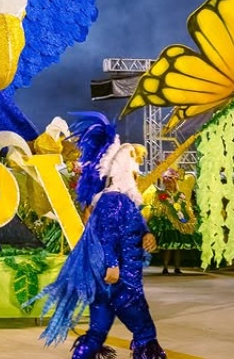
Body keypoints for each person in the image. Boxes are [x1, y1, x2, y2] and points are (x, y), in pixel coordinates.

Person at [31, 112, 166, 359]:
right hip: (121, 281)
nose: (136, 170)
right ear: (122, 170)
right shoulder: (114, 200)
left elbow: (132, 227)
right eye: (132, 164)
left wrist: (147, 234)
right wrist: (113, 266)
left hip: (105, 281)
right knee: (145, 333)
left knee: (96, 333)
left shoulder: (121, 201)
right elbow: (106, 235)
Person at [147, 168, 200, 275]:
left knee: (178, 248)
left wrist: (186, 215)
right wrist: (165, 207)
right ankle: (165, 267)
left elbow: (186, 206)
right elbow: (157, 208)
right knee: (168, 247)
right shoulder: (161, 194)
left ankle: (177, 267)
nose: (168, 185)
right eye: (166, 183)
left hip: (179, 224)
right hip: (167, 225)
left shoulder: (180, 194)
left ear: (175, 182)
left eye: (170, 182)